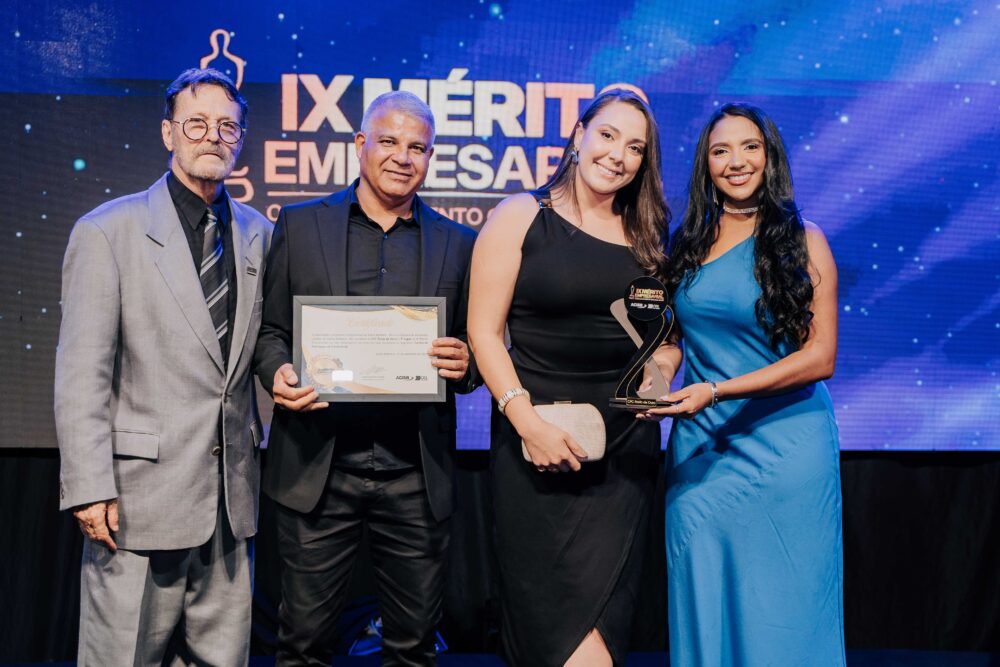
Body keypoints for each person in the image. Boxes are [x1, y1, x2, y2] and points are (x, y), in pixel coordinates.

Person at [54, 68, 272, 666]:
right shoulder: (107, 231)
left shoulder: (261, 235)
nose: (213, 137)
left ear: (241, 139)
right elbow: (81, 375)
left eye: (227, 126)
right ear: (168, 133)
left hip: (230, 506)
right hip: (136, 503)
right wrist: (89, 487)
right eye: (196, 124)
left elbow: (272, 347)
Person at [253, 91, 477, 666]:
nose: (403, 157)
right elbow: (271, 330)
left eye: (418, 148)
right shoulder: (300, 225)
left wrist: (467, 364)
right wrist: (277, 372)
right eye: (389, 141)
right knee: (302, 645)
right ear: (359, 144)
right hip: (317, 468)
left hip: (415, 473)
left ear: (431, 157)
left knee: (413, 649)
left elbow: (477, 348)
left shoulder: (459, 242)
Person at [467, 89, 668, 667]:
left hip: (623, 459)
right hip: (534, 451)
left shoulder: (649, 235)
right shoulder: (520, 215)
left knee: (599, 643)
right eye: (607, 135)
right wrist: (527, 424)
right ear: (578, 135)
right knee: (548, 639)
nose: (618, 155)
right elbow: (484, 333)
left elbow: (665, 341)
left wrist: (657, 379)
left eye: (635, 147)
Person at [643, 102, 845, 665]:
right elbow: (672, 343)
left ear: (769, 155)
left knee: (786, 611)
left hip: (787, 450)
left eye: (749, 147)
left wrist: (718, 391)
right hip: (702, 450)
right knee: (705, 594)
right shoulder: (686, 243)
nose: (736, 161)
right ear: (705, 165)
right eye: (721, 150)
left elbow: (821, 357)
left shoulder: (803, 240)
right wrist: (652, 387)